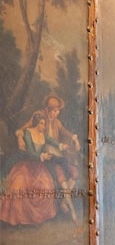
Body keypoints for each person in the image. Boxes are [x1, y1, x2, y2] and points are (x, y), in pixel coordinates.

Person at [16, 95, 80, 223]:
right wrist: (19, 137)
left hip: (58, 154)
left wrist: (74, 138)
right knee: (61, 178)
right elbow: (23, 129)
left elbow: (63, 132)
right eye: (55, 111)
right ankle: (72, 212)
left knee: (74, 173)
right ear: (47, 109)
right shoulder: (39, 117)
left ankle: (63, 203)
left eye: (58, 111)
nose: (57, 114)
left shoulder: (56, 121)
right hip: (46, 157)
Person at [0, 112, 58, 226]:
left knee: (47, 186)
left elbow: (52, 141)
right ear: (36, 123)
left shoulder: (42, 135)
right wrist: (42, 156)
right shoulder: (28, 133)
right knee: (19, 186)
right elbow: (31, 152)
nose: (43, 126)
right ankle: (19, 219)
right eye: (41, 124)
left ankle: (38, 218)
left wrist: (61, 145)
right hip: (26, 164)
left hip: (38, 166)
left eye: (44, 124)